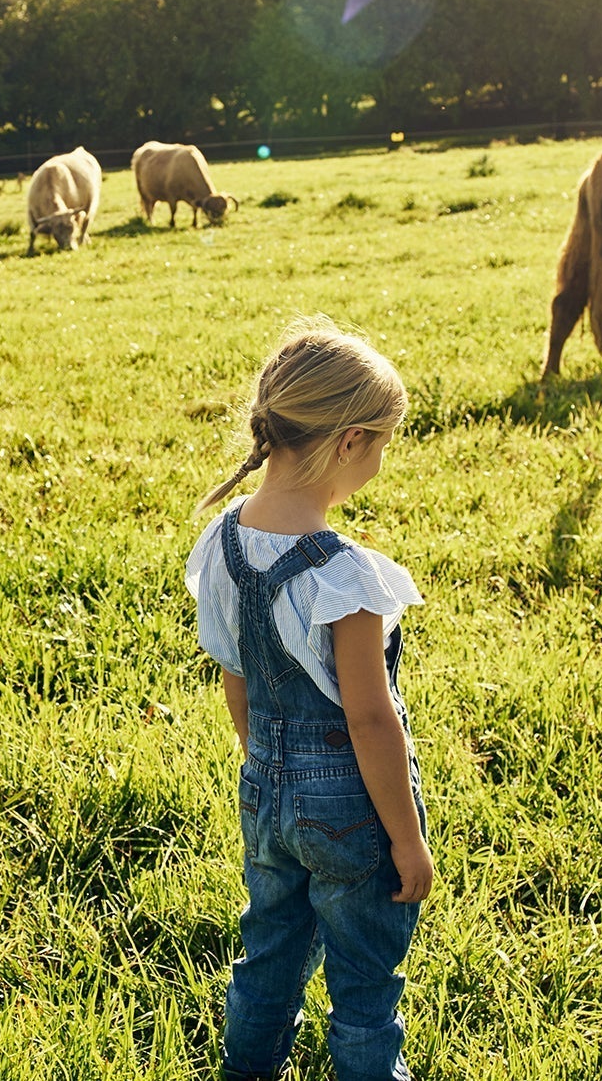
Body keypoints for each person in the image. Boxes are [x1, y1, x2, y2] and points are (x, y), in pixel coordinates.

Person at [185, 317, 432, 1081]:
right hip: (350, 808)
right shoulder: (345, 577)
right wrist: (406, 839)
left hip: (262, 788)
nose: (380, 461)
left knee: (269, 949)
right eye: (383, 444)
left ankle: (247, 1069)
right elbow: (368, 717)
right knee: (363, 983)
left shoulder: (222, 540)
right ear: (350, 442)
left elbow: (234, 673)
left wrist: (267, 769)